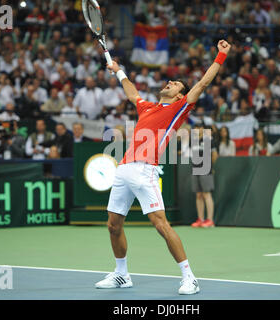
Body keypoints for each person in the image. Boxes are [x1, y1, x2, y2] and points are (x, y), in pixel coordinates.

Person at [95, 39, 232, 295]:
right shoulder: (148, 107)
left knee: (161, 225)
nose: (169, 83)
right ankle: (122, 274)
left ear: (181, 95)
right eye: (170, 81)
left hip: (145, 170)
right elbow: (132, 93)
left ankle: (189, 277)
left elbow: (203, 83)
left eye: (175, 84)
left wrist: (221, 56)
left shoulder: (181, 107)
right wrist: (119, 70)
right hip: (123, 168)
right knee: (113, 225)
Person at [190, 124, 218, 229]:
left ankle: (210, 220)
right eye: (196, 128)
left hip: (206, 169)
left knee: (207, 194)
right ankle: (200, 219)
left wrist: (210, 166)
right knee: (198, 195)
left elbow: (214, 155)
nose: (197, 130)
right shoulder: (193, 141)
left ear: (203, 129)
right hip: (195, 169)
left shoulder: (209, 140)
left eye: (199, 127)